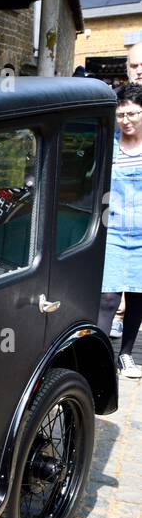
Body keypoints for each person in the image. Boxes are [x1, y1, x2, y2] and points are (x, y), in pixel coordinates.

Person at [98, 82, 142, 377]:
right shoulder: (108, 144)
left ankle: (125, 354)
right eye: (121, 114)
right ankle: (99, 358)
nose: (126, 120)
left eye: (133, 114)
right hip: (113, 228)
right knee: (108, 297)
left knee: (138, 296)